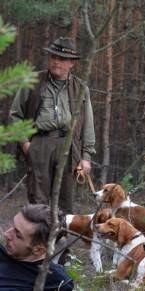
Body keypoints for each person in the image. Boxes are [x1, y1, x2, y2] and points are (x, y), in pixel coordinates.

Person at [10, 37, 96, 213]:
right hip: (40, 143)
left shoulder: (81, 88)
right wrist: (25, 144)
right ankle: (38, 239)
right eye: (53, 57)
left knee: (65, 200)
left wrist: (86, 157)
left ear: (71, 63)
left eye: (62, 59)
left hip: (69, 146)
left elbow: (88, 125)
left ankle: (60, 238)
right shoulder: (32, 82)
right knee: (38, 199)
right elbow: (15, 116)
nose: (56, 61)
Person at [0, 204, 74, 290]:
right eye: (12, 226)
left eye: (18, 235)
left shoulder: (54, 283)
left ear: (38, 250)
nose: (6, 234)